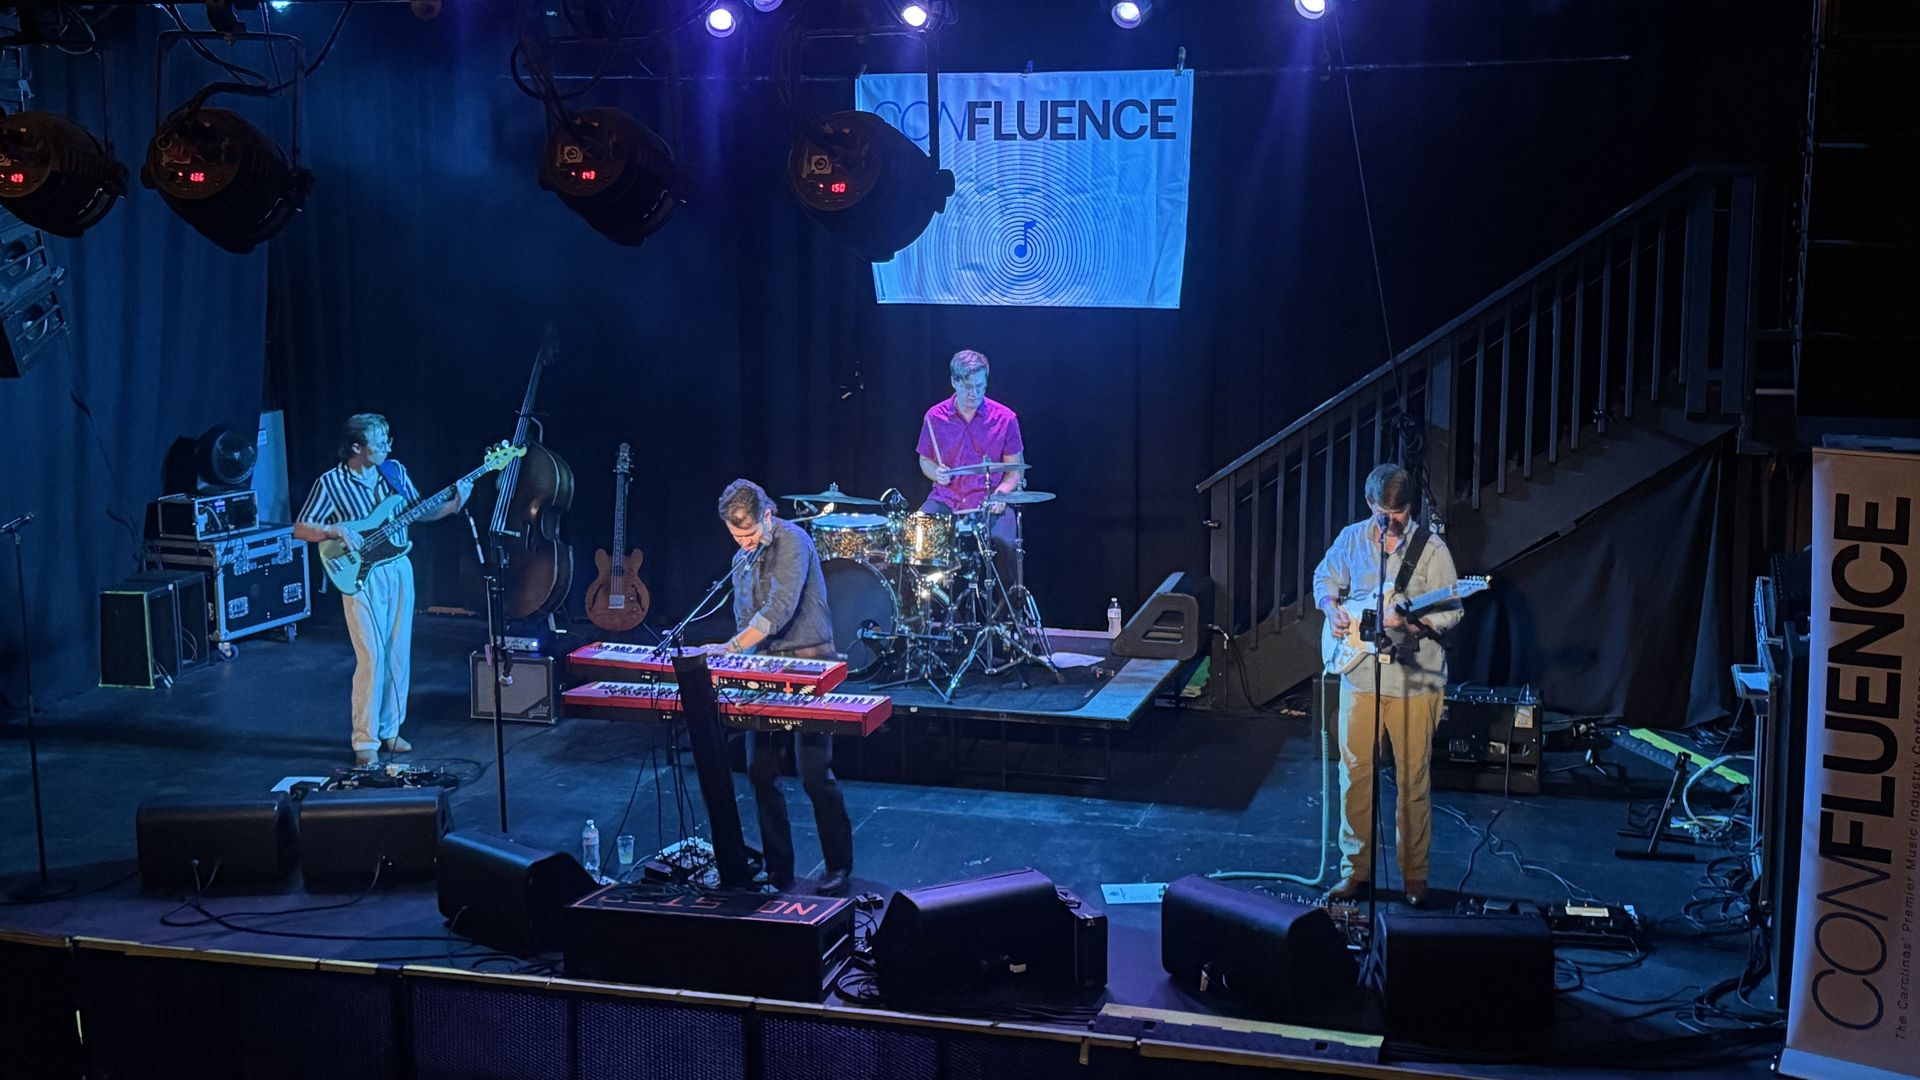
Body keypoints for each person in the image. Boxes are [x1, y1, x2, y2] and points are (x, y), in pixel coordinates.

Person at [1311, 463, 1461, 908]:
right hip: (1360, 676)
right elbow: (1325, 578)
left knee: (1412, 779)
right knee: (1354, 774)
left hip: (1415, 682)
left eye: (1396, 517)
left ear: (1409, 509)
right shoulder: (1352, 538)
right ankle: (1354, 870)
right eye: (1381, 515)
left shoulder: (1431, 549)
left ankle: (1414, 874)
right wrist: (1330, 607)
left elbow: (1454, 607)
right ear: (1369, 505)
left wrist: (1414, 622)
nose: (1387, 526)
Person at [294, 414, 471, 766]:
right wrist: (335, 530)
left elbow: (417, 512)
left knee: (397, 652)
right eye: (379, 442)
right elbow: (300, 528)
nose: (388, 447)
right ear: (357, 448)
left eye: (388, 440)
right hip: (360, 574)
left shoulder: (394, 472)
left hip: (397, 567)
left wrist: (452, 505)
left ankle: (391, 729)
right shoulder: (331, 482)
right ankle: (365, 741)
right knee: (372, 657)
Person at [716, 479, 853, 897]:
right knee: (760, 773)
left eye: (750, 534)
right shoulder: (743, 553)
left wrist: (734, 646)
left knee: (814, 774)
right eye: (736, 537)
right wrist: (737, 658)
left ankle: (839, 866)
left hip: (809, 664)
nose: (745, 543)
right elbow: (745, 612)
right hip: (765, 667)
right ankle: (778, 869)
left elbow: (779, 607)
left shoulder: (794, 541)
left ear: (768, 516)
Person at [915, 349, 1024, 575]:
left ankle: (1009, 607)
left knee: (1006, 545)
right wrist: (937, 473)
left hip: (989, 500)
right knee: (917, 538)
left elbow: (1015, 471)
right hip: (947, 499)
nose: (974, 394)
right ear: (954, 382)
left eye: (980, 387)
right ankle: (924, 606)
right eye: (968, 387)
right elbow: (925, 460)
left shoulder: (1006, 418)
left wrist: (1002, 493)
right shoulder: (934, 417)